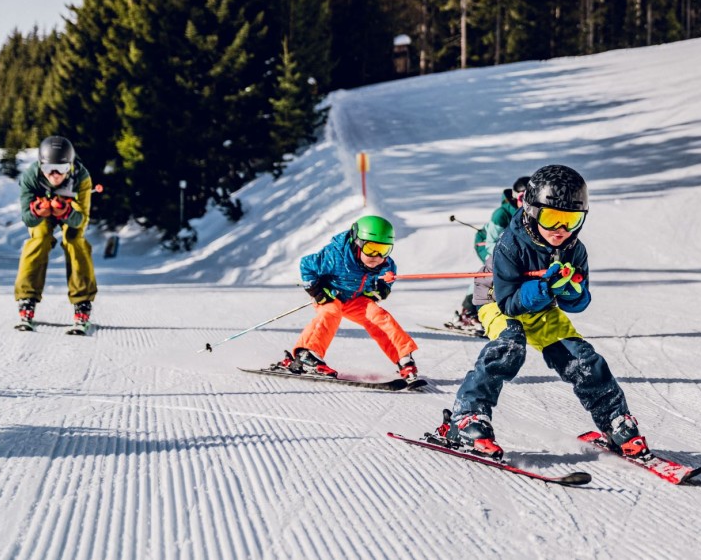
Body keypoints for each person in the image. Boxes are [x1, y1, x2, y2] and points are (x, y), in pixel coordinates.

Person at [429, 164, 649, 459]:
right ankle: (468, 417)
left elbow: (579, 303)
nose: (561, 230)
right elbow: (509, 303)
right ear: (532, 211)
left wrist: (571, 291)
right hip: (497, 300)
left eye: (571, 220)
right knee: (510, 345)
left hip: (541, 306)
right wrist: (545, 287)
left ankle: (615, 420)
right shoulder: (510, 244)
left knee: (580, 356)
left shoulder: (575, 249)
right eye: (552, 218)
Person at [273, 214, 420, 383]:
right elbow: (306, 265)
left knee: (378, 316)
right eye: (371, 248)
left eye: (384, 250)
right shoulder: (334, 256)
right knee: (331, 312)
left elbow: (387, 279)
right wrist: (316, 290)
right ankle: (307, 354)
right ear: (357, 243)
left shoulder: (385, 264)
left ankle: (404, 359)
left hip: (356, 299)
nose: (376, 256)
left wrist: (382, 289)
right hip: (331, 295)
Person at [15, 136, 98, 329]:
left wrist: (66, 211)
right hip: (43, 211)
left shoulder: (81, 177)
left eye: (60, 169)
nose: (54, 175)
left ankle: (82, 301)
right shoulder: (30, 176)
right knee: (39, 238)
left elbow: (80, 220)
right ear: (40, 165)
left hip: (69, 210)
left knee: (74, 240)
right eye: (47, 169)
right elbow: (27, 218)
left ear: (69, 166)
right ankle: (26, 298)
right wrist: (37, 211)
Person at [446, 175, 530, 334]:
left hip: (512, 250)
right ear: (514, 197)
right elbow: (491, 242)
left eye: (531, 197)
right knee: (491, 273)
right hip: (486, 244)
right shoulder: (502, 215)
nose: (527, 203)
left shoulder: (534, 213)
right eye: (523, 197)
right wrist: (507, 258)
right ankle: (467, 313)